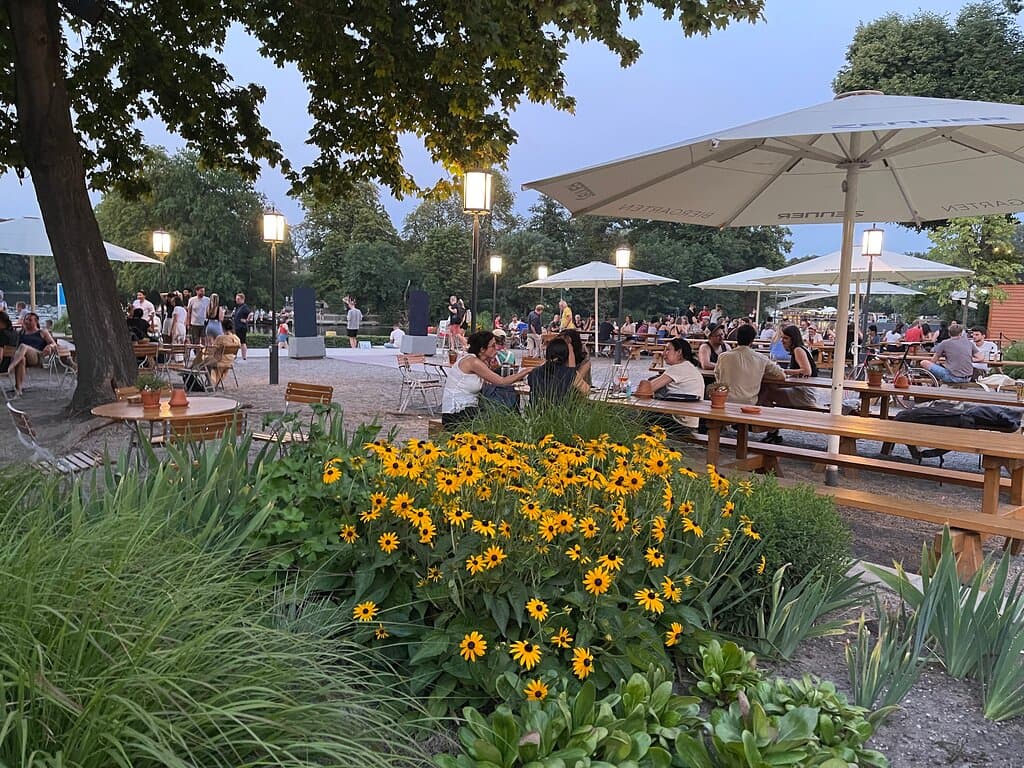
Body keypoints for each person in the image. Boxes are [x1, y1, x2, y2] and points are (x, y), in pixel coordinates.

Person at [440, 330, 531, 427]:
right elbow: (502, 381)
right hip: (456, 412)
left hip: (468, 409)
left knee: (501, 416)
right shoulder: (473, 362)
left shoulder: (478, 361)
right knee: (502, 418)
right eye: (493, 346)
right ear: (482, 349)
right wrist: (527, 370)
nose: (496, 348)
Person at [714, 323, 785, 407]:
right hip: (749, 404)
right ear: (752, 340)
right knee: (766, 391)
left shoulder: (723, 357)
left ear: (737, 338)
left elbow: (717, 375)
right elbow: (781, 376)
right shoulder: (761, 358)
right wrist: (760, 374)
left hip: (724, 401)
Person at [645, 338, 705, 435]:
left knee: (639, 415)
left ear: (679, 352)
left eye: (668, 349)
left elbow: (646, 389)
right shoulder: (688, 366)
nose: (664, 353)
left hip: (680, 424)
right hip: (691, 423)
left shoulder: (678, 368)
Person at [762, 325, 820, 419]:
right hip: (803, 389)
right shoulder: (801, 348)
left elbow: (806, 371)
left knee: (766, 393)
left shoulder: (798, 350)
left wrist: (782, 370)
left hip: (804, 394)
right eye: (782, 337)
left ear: (793, 339)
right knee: (769, 387)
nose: (782, 340)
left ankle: (769, 422)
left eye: (786, 338)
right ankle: (772, 422)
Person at [7, 312, 59, 396]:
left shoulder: (42, 332)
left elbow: (54, 344)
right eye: (26, 319)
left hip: (37, 356)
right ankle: (18, 388)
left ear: (36, 321)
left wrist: (50, 346)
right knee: (22, 359)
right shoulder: (21, 333)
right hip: (22, 357)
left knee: (23, 346)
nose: (27, 321)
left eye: (30, 320)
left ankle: (10, 367)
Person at [528, 336, 588, 402]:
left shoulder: (534, 372)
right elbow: (587, 391)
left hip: (536, 408)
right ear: (566, 356)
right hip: (561, 408)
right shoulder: (570, 374)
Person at [232, 292, 252, 360]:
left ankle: (244, 356)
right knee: (236, 342)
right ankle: (235, 355)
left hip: (241, 327)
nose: (237, 300)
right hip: (237, 326)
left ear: (242, 299)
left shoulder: (244, 307)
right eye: (236, 299)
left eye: (238, 299)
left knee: (242, 342)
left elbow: (250, 313)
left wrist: (246, 320)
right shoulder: (238, 307)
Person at [0, 311, 17, 381]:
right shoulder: (15, 333)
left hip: (2, 366)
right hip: (9, 364)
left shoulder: (1, 334)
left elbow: (0, 357)